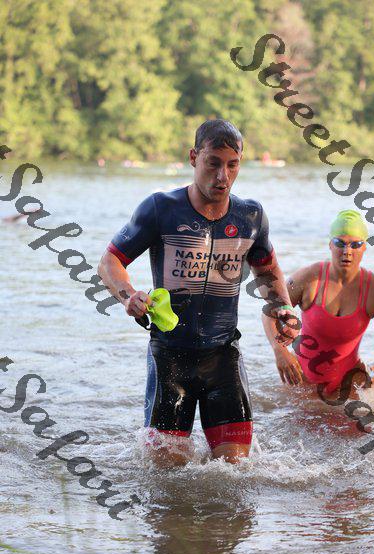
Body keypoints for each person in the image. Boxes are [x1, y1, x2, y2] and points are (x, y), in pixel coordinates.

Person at [98, 119, 299, 466]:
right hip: (170, 358)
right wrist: (128, 295)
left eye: (232, 165)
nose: (223, 176)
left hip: (223, 357)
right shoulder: (160, 208)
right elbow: (109, 261)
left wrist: (282, 307)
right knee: (166, 476)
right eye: (213, 163)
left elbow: (268, 272)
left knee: (235, 475)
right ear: (194, 158)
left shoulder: (250, 216)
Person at [263, 210, 374, 401]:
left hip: (350, 385)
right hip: (303, 381)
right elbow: (270, 312)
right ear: (330, 244)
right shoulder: (309, 279)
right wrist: (280, 351)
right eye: (340, 243)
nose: (347, 251)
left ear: (364, 247)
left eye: (355, 244)